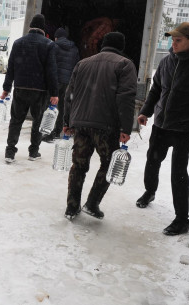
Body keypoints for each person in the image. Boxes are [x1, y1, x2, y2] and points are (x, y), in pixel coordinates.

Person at [136, 22, 189, 236]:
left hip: (184, 127)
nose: (173, 44)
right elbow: (156, 89)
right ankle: (150, 191)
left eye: (178, 40)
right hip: (161, 124)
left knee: (178, 172)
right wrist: (146, 111)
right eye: (172, 40)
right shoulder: (167, 61)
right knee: (152, 160)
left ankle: (181, 220)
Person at [63, 32, 137, 220]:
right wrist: (126, 128)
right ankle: (92, 203)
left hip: (80, 125)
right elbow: (125, 98)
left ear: (103, 44)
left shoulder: (83, 63)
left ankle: (72, 207)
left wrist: (66, 121)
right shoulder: (124, 64)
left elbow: (69, 94)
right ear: (121, 47)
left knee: (78, 165)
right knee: (109, 164)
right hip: (106, 126)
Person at [1, 14, 58, 163]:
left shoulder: (18, 43)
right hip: (39, 91)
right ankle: (33, 152)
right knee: (38, 121)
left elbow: (11, 68)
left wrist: (6, 88)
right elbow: (51, 71)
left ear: (30, 26)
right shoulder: (48, 44)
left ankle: (10, 152)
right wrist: (54, 93)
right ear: (43, 29)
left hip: (20, 88)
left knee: (16, 121)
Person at [41, 27, 79, 143]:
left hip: (55, 81)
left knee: (51, 106)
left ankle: (49, 134)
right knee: (63, 107)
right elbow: (77, 65)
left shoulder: (53, 46)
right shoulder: (74, 49)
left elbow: (49, 64)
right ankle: (58, 131)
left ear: (56, 37)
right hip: (68, 82)